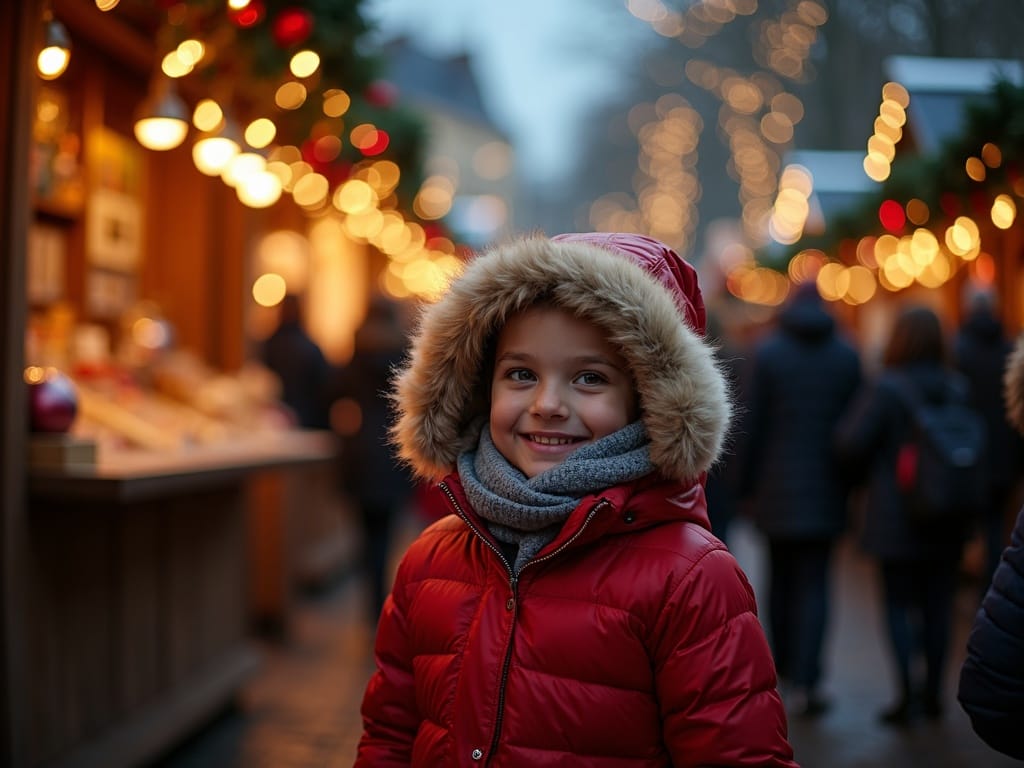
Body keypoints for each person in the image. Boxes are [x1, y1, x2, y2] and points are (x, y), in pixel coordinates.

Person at [355, 233, 799, 767]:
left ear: (647, 402)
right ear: (479, 386)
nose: (546, 404)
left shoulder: (690, 580)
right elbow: (388, 737)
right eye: (521, 374)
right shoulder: (430, 561)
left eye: (589, 378)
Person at [835, 305, 973, 726]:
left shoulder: (887, 387)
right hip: (947, 513)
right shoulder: (956, 387)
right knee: (938, 605)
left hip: (895, 516)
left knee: (897, 604)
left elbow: (850, 443)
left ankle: (906, 695)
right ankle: (934, 695)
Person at [738, 281, 863, 718]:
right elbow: (857, 429)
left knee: (781, 580)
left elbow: (749, 428)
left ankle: (787, 672)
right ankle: (810, 679)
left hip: (776, 490)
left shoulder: (768, 353)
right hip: (827, 490)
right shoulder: (847, 355)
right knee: (816, 584)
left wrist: (744, 489)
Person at [957, 333, 1024, 759]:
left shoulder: (961, 351)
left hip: (977, 465)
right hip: (1004, 463)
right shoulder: (998, 345)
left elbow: (988, 690)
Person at [330, 296, 417, 621]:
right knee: (387, 530)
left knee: (364, 532)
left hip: (359, 452)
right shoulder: (402, 353)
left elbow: (332, 394)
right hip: (394, 451)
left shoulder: (356, 353)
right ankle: (381, 600)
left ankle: (371, 600)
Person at [952, 286, 1024, 595]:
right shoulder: (1010, 348)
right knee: (996, 527)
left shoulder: (957, 349)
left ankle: (970, 586)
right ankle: (991, 588)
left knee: (966, 524)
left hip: (964, 453)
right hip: (1004, 455)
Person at [260, 293, 331, 429]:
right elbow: (324, 384)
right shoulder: (310, 347)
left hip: (276, 420)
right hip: (309, 418)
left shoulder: (269, 345)